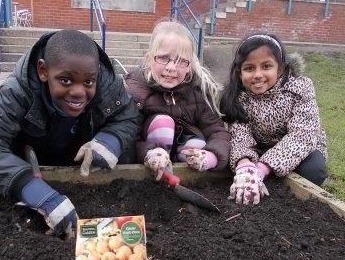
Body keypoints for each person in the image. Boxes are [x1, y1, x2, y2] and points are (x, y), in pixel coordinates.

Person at [0, 29, 141, 237]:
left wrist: (109, 142)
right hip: (31, 163)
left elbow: (128, 114)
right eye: (66, 81)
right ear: (43, 71)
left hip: (78, 161)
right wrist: (33, 190)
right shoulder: (18, 92)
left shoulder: (107, 84)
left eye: (89, 82)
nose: (79, 92)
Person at [221, 32, 328, 205]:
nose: (257, 75)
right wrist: (245, 165)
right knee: (229, 161)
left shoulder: (300, 88)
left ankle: (284, 188)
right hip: (259, 148)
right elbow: (240, 136)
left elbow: (302, 135)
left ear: (280, 68)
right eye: (249, 68)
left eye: (266, 66)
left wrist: (263, 168)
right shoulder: (238, 96)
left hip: (301, 148)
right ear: (239, 72)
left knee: (314, 171)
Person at [124, 20, 231, 180]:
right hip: (150, 153)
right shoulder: (136, 89)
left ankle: (188, 171)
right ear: (149, 59)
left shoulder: (197, 90)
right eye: (163, 58)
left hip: (184, 145)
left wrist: (212, 155)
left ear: (190, 65)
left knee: (198, 146)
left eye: (181, 61)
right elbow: (129, 136)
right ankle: (158, 165)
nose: (171, 67)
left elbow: (216, 130)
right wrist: (148, 152)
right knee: (163, 123)